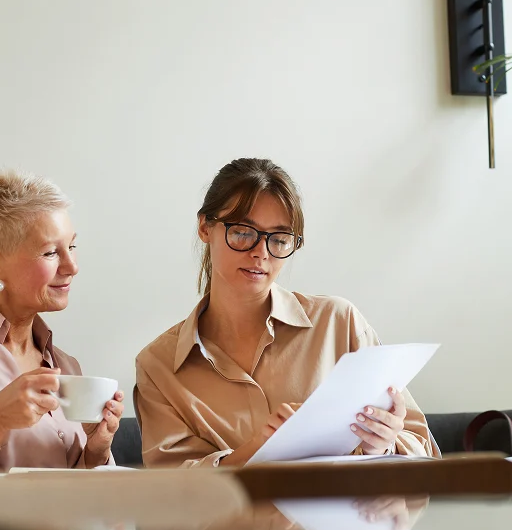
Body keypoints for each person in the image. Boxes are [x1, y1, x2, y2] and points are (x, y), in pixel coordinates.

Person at [135, 158, 439, 468]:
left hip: (343, 514)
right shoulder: (158, 366)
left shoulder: (339, 324)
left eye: (279, 240)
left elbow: (424, 449)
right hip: (231, 518)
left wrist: (384, 445)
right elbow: (171, 489)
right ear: (205, 227)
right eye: (242, 232)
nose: (261, 253)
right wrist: (257, 452)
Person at [0, 169, 124, 473]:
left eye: (71, 246)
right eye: (50, 252)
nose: (72, 266)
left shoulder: (66, 365)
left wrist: (96, 453)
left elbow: (76, 496)